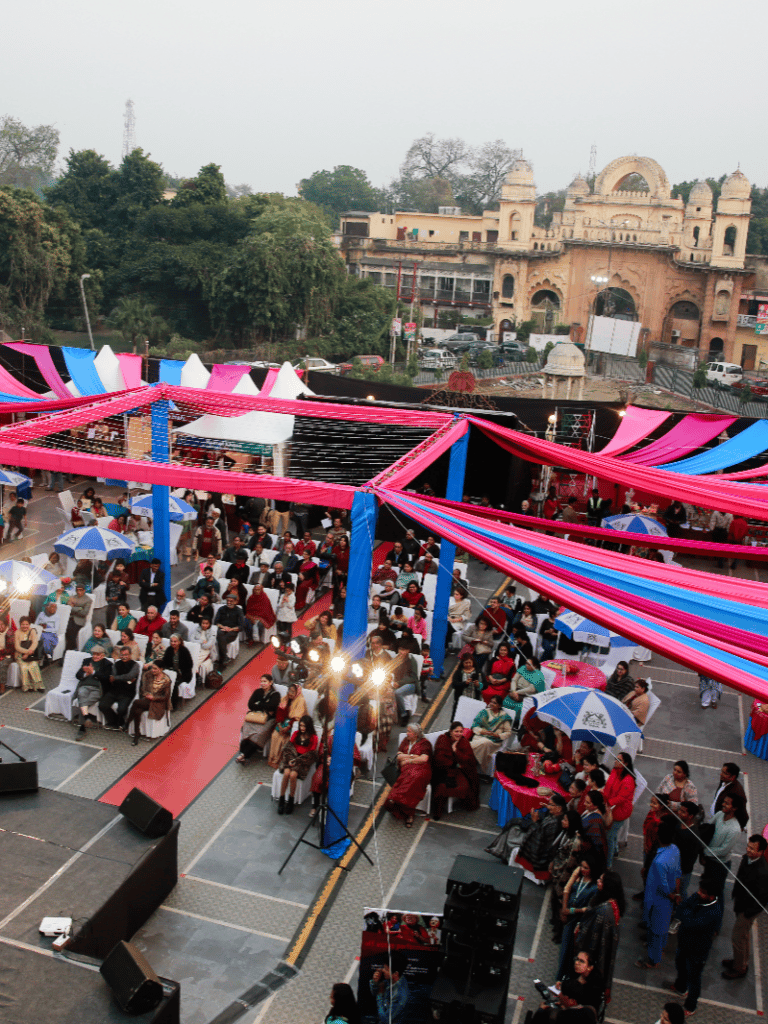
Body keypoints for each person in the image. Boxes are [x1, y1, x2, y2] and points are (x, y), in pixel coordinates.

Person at [670, 875, 721, 1016]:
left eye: (703, 892)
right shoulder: (697, 897)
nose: (699, 893)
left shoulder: (713, 912)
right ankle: (680, 986)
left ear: (711, 896)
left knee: (694, 977)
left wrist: (686, 916)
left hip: (698, 950)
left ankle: (691, 1005)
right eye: (700, 890)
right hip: (684, 942)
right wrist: (686, 915)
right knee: (680, 963)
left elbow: (691, 923)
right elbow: (683, 907)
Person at [722, 834, 768, 980]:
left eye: (752, 849)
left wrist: (748, 913)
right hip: (741, 903)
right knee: (743, 936)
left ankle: (739, 968)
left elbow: (762, 899)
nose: (748, 850)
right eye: (748, 846)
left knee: (737, 937)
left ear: (761, 852)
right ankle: (741, 961)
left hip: (748, 910)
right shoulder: (747, 859)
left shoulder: (762, 872)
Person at [637, 817, 681, 968]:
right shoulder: (675, 850)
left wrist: (671, 895)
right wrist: (677, 894)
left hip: (657, 899)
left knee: (655, 929)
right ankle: (659, 950)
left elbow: (663, 886)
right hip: (667, 900)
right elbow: (677, 874)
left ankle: (653, 959)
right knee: (662, 928)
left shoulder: (659, 862)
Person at [574, 870, 624, 997]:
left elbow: (592, 934)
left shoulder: (604, 911)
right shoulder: (612, 903)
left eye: (601, 880)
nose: (598, 881)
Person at [557, 851, 603, 978]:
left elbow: (589, 909)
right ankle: (561, 975)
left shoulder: (594, 887)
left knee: (573, 950)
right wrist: (564, 909)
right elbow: (567, 889)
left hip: (580, 921)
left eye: (586, 868)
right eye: (582, 866)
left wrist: (570, 911)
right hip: (570, 919)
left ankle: (568, 975)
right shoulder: (579, 877)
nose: (582, 869)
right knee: (565, 948)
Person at [384, 723, 432, 828]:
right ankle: (408, 812)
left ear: (415, 734)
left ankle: (397, 798)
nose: (407, 733)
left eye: (409, 731)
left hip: (422, 769)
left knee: (415, 777)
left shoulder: (425, 743)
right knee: (409, 777)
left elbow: (424, 759)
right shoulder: (405, 741)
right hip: (407, 768)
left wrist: (408, 761)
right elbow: (398, 756)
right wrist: (413, 756)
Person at [431, 721, 480, 821]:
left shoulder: (464, 741)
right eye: (456, 731)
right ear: (450, 731)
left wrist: (455, 751)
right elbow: (439, 757)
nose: (458, 734)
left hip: (459, 771)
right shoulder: (443, 739)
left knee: (464, 786)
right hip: (443, 770)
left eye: (461, 731)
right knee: (442, 786)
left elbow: (468, 759)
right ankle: (438, 811)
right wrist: (454, 762)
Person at [276, 714, 318, 815]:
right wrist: (290, 760)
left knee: (293, 775)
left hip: (302, 761)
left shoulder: (314, 738)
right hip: (291, 758)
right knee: (286, 773)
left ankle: (291, 799)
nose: (302, 728)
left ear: (309, 726)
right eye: (301, 726)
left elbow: (311, 755)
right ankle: (281, 799)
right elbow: (288, 748)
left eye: (304, 726)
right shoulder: (295, 733)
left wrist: (297, 761)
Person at [236, 673, 281, 763]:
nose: (262, 683)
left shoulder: (275, 694)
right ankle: (243, 754)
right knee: (246, 727)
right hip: (254, 717)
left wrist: (258, 704)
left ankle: (244, 755)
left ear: (270, 682)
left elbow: (272, 706)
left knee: (259, 733)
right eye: (261, 681)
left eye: (265, 681)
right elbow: (250, 704)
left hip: (268, 719)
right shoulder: (257, 692)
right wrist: (264, 706)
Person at [125, 662, 171, 746]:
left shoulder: (166, 680)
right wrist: (147, 694)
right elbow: (143, 688)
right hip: (146, 700)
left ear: (161, 669)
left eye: (155, 669)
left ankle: (128, 722)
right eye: (152, 668)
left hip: (158, 703)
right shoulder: (148, 675)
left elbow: (166, 697)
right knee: (137, 711)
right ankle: (136, 734)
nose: (152, 670)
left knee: (136, 702)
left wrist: (154, 698)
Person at [72, 646, 113, 739]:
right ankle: (85, 722)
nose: (95, 656)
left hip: (98, 688)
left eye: (97, 655)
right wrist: (86, 674)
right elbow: (78, 675)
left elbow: (106, 678)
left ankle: (83, 725)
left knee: (83, 701)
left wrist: (93, 672)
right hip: (84, 686)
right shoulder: (86, 661)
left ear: (103, 655)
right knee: (81, 693)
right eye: (94, 654)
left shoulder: (108, 664)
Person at [603, 752, 636, 867]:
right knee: (613, 834)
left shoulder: (628, 779)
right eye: (616, 758)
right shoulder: (615, 771)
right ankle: (615, 850)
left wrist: (609, 803)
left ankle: (608, 864)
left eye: (619, 759)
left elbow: (622, 797)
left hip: (619, 812)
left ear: (625, 763)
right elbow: (608, 787)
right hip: (611, 808)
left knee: (610, 837)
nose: (616, 761)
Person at [98, 645, 140, 729]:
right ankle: (116, 722)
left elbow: (130, 676)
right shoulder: (116, 664)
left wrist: (117, 678)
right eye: (122, 655)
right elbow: (113, 676)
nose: (124, 657)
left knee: (122, 709)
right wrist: (125, 679)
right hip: (114, 690)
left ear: (130, 654)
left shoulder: (135, 665)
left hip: (127, 692)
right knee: (102, 705)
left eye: (126, 655)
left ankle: (118, 722)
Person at [469, 696, 512, 776]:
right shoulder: (484, 712)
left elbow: (508, 732)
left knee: (485, 742)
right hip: (480, 736)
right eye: (491, 702)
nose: (491, 704)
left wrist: (497, 735)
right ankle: (472, 764)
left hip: (494, 741)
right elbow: (475, 726)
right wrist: (483, 731)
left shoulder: (504, 717)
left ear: (499, 706)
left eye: (494, 703)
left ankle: (467, 748)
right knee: (482, 742)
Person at [267, 683, 307, 767]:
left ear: (297, 692)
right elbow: (279, 713)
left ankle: (278, 761)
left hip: (293, 725)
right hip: (282, 723)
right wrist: (279, 725)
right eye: (289, 691)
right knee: (275, 735)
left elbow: (298, 717)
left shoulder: (301, 701)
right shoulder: (284, 699)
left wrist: (288, 726)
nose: (290, 693)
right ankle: (272, 759)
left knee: (284, 739)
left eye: (293, 691)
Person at [503, 655, 546, 727]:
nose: (526, 665)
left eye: (529, 664)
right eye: (526, 663)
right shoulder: (523, 668)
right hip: (516, 691)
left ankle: (514, 724)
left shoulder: (539, 675)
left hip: (526, 695)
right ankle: (504, 720)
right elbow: (514, 680)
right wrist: (513, 690)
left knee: (519, 708)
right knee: (505, 701)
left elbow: (531, 689)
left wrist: (516, 693)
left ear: (535, 666)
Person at [369, 952, 410, 1024]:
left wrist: (380, 995)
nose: (383, 970)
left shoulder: (400, 996)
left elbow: (385, 1019)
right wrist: (375, 983)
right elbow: (374, 993)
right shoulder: (392, 978)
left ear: (395, 973)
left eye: (386, 969)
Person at [159, 633, 194, 710]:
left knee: (174, 683)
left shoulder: (184, 651)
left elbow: (190, 665)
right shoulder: (169, 650)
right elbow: (165, 662)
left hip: (184, 674)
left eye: (175, 641)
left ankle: (173, 705)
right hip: (172, 672)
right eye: (171, 641)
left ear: (179, 642)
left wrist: (179, 671)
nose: (173, 643)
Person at [710, 762, 748, 826]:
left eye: (725, 773)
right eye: (722, 771)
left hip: (722, 824)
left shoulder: (737, 792)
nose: (721, 774)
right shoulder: (724, 780)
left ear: (733, 777)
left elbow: (743, 814)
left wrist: (739, 827)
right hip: (716, 818)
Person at [15, 616, 44, 691]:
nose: (25, 626)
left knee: (33, 664)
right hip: (20, 655)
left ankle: (38, 686)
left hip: (31, 655)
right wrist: (26, 652)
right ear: (20, 624)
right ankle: (28, 686)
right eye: (23, 624)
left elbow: (35, 643)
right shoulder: (17, 633)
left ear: (29, 624)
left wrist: (27, 654)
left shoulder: (32, 631)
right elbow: (17, 647)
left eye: (26, 624)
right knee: (24, 666)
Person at [214, 594, 244, 667]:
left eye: (231, 601)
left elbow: (241, 626)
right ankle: (225, 658)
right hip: (221, 629)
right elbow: (216, 622)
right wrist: (223, 627)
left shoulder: (239, 611)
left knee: (221, 639)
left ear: (235, 602)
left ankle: (222, 658)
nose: (229, 602)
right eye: (228, 601)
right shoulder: (222, 609)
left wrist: (230, 629)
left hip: (232, 631)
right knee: (220, 633)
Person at [65, 584, 92, 651]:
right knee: (66, 631)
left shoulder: (88, 600)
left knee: (72, 633)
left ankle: (68, 650)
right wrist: (79, 608)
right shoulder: (73, 597)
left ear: (84, 591)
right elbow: (68, 608)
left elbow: (84, 613)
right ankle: (70, 648)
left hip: (79, 620)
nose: (79, 592)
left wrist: (73, 607)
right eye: (77, 590)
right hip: (70, 618)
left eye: (81, 590)